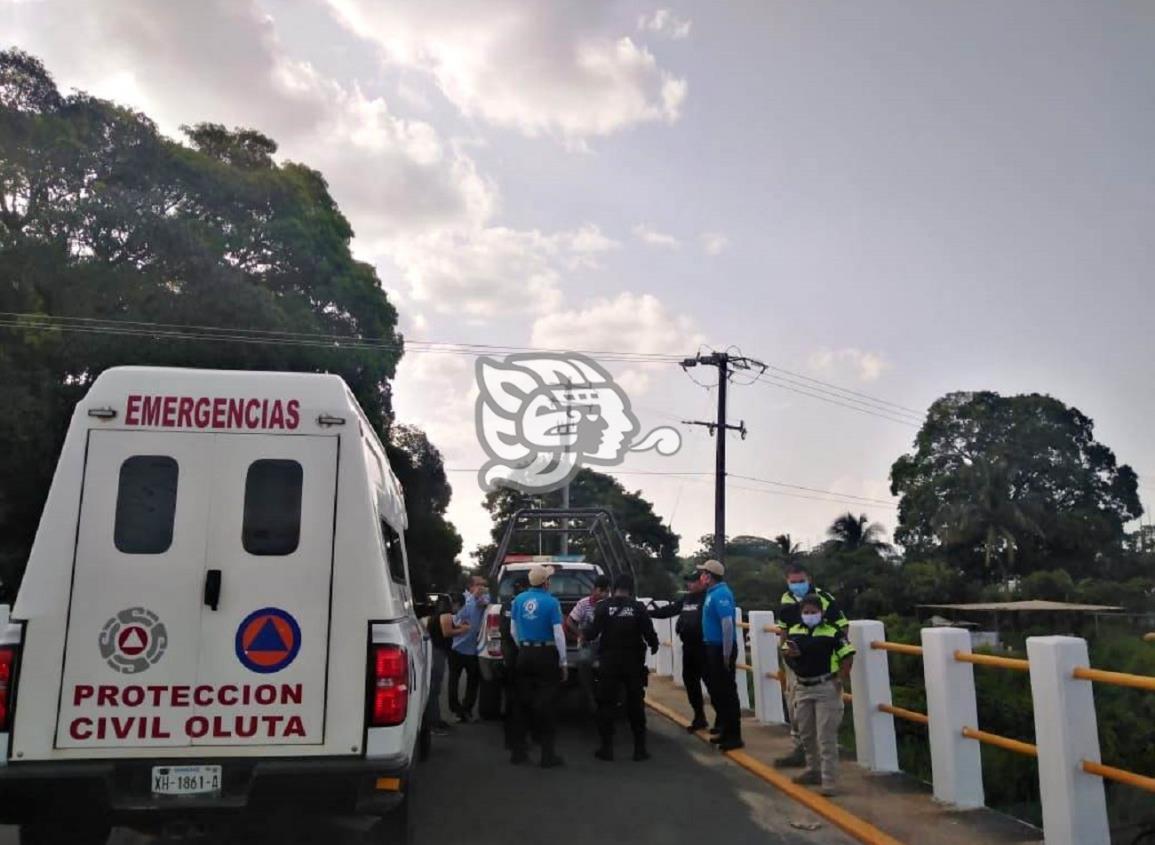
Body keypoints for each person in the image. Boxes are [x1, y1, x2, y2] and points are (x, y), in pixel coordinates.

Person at [774, 563, 848, 768]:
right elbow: (784, 630)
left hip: (822, 667)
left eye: (801, 581)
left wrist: (839, 660)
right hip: (795, 664)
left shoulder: (824, 599)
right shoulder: (786, 599)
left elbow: (842, 628)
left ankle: (822, 767)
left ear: (809, 579)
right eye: (793, 582)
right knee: (795, 708)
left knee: (824, 716)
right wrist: (784, 656)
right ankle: (802, 750)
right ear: (787, 582)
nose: (798, 585)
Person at [781, 592, 855, 795]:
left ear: (821, 613)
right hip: (803, 686)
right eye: (806, 612)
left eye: (813, 612)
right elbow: (787, 656)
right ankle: (813, 770)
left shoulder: (833, 632)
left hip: (825, 686)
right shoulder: (795, 630)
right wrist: (791, 656)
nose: (809, 615)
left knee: (826, 736)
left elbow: (847, 655)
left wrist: (840, 679)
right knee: (805, 732)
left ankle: (829, 781)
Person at [584, 573, 659, 762]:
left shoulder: (602, 607)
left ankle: (606, 749)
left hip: (609, 663)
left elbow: (592, 634)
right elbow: (649, 633)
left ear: (613, 588)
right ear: (630, 589)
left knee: (605, 704)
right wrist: (655, 645)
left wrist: (583, 634)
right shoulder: (638, 608)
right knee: (635, 705)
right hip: (633, 663)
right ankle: (639, 749)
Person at [509, 565, 568, 768]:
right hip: (546, 655)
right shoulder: (551, 602)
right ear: (545, 583)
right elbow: (559, 634)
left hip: (524, 653)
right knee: (546, 705)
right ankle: (547, 756)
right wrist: (563, 661)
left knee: (522, 703)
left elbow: (513, 630)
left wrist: (524, 647)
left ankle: (518, 752)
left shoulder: (518, 600)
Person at [648, 570, 711, 731]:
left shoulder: (708, 598)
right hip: (688, 647)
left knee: (712, 684)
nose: (689, 584)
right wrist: (647, 613)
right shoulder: (687, 599)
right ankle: (699, 717)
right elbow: (669, 611)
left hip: (704, 648)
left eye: (692, 581)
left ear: (702, 582)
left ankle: (722, 722)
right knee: (691, 683)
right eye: (688, 581)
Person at [698, 559, 743, 751]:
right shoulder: (712, 593)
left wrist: (725, 654)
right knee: (718, 692)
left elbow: (727, 624)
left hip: (721, 649)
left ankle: (734, 736)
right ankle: (725, 730)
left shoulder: (722, 594)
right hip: (713, 648)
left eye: (704, 573)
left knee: (727, 693)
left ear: (709, 575)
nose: (701, 577)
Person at [425, 595, 469, 736]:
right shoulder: (445, 614)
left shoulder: (435, 615)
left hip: (436, 651)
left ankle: (436, 719)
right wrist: (463, 630)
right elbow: (447, 632)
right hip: (438, 652)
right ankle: (433, 723)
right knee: (434, 688)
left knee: (435, 688)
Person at [566, 574, 611, 712]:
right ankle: (590, 696)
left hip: (607, 644)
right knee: (583, 662)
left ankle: (608, 697)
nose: (605, 594)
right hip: (588, 643)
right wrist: (580, 635)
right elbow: (569, 621)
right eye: (602, 591)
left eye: (607, 591)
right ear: (595, 589)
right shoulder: (583, 603)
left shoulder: (610, 604)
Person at [448, 575, 489, 723]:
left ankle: (467, 710)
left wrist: (480, 596)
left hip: (474, 649)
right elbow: (456, 616)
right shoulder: (463, 598)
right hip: (457, 647)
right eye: (479, 585)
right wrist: (473, 597)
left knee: (473, 682)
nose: (482, 588)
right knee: (453, 680)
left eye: (484, 585)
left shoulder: (483, 598)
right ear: (471, 586)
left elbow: (486, 604)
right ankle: (455, 709)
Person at [499, 577, 529, 749]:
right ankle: (522, 738)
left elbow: (505, 631)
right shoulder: (524, 605)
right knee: (524, 699)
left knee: (510, 700)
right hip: (522, 656)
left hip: (509, 657)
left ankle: (510, 740)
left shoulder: (507, 605)